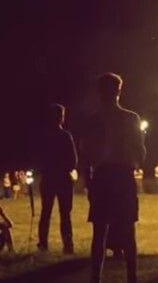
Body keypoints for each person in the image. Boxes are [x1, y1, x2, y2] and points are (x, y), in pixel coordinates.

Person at [83, 73, 146, 283]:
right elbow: (141, 154)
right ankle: (132, 277)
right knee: (128, 230)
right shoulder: (130, 118)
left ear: (99, 92)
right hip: (122, 176)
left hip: (101, 177)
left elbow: (85, 154)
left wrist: (89, 182)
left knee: (99, 232)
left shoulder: (92, 120)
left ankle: (95, 278)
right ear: (119, 91)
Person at [36, 103, 78, 254]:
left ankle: (43, 243)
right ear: (61, 118)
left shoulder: (43, 136)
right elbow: (73, 160)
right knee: (65, 213)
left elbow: (38, 158)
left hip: (48, 178)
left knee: (45, 212)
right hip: (63, 179)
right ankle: (68, 244)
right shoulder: (65, 136)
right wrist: (65, 168)